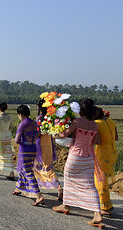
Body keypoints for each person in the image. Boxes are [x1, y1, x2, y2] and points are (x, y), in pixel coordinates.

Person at [53, 98, 105, 229]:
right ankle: (97, 213)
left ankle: (66, 205)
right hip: (88, 158)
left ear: (81, 109)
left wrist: (54, 134)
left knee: (68, 178)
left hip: (76, 156)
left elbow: (64, 134)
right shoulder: (94, 125)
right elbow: (97, 141)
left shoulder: (76, 122)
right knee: (89, 185)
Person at [12, 104, 44, 206]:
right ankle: (19, 188)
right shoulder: (34, 123)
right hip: (33, 148)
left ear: (20, 114)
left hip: (24, 149)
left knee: (27, 171)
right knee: (25, 168)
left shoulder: (22, 124)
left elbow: (17, 140)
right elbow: (39, 133)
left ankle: (38, 195)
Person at [33, 98, 63, 200]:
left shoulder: (39, 118)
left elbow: (37, 132)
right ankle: (39, 186)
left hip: (40, 143)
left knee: (42, 166)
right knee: (47, 164)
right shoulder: (50, 117)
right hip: (49, 142)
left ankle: (58, 186)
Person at [94, 107, 118, 216]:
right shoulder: (111, 122)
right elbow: (116, 137)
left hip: (102, 153)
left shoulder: (97, 124)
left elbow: (97, 140)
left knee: (100, 179)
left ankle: (105, 206)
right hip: (113, 152)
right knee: (103, 178)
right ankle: (104, 202)